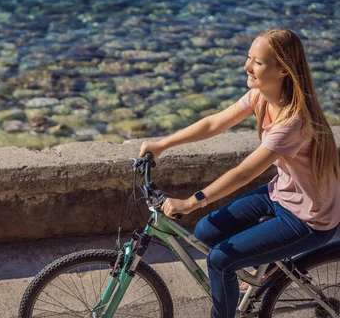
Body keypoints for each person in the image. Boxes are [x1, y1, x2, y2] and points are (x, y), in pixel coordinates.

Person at [139, 28, 340, 318]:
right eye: (249, 57)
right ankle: (261, 272)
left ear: (283, 69)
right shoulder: (262, 97)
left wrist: (191, 202)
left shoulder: (293, 124)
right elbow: (214, 123)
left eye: (257, 62)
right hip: (282, 194)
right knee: (205, 232)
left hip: (309, 218)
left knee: (220, 260)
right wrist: (163, 143)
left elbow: (244, 173)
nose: (246, 66)